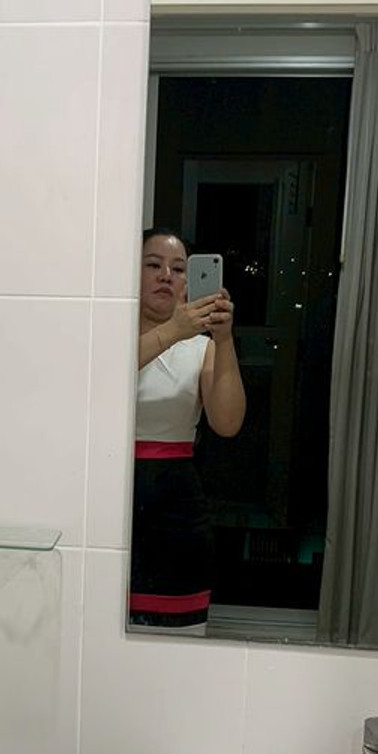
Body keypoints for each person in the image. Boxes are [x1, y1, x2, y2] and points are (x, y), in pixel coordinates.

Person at [131, 228, 246, 632]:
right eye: (153, 265)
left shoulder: (202, 349)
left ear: (188, 282)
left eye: (179, 269)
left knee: (179, 643)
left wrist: (223, 339)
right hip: (108, 497)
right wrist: (171, 332)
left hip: (175, 505)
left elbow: (227, 423)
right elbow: (97, 378)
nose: (166, 275)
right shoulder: (104, 339)